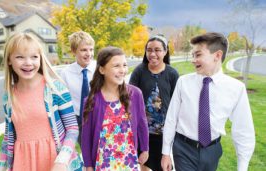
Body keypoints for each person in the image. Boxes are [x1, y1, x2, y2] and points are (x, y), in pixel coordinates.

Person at [161, 32, 255, 171]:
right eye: (192, 55)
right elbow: (171, 118)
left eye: (198, 55)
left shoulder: (236, 89)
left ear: (217, 55)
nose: (193, 60)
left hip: (212, 151)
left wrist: (242, 167)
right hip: (183, 149)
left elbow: (243, 129)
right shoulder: (183, 82)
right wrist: (166, 152)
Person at [0, 32, 83, 171]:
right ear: (9, 60)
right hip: (23, 163)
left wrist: (62, 160)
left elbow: (72, 129)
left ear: (40, 59)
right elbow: (8, 137)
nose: (28, 63)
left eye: (34, 57)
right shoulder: (9, 96)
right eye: (20, 57)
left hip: (55, 161)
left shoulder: (56, 89)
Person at [81, 46, 149, 171]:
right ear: (102, 69)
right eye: (116, 66)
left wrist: (145, 149)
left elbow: (142, 123)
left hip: (128, 160)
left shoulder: (135, 94)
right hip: (103, 162)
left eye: (124, 65)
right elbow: (86, 137)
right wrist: (88, 165)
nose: (122, 70)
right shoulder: (91, 101)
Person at [129, 35, 179, 171]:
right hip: (142, 131)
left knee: (163, 166)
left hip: (163, 132)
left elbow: (177, 103)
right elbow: (130, 98)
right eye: (149, 50)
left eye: (157, 50)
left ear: (165, 51)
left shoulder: (172, 74)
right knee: (143, 164)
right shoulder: (139, 71)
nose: (152, 54)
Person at [60, 31, 96, 143]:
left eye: (91, 49)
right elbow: (62, 100)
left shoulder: (100, 69)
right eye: (84, 50)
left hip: (98, 116)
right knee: (85, 151)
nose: (89, 53)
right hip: (78, 119)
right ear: (74, 51)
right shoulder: (65, 73)